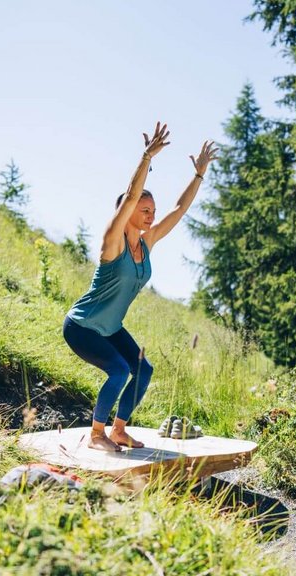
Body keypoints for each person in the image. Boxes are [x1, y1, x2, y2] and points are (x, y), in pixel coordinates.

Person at [63, 122, 218, 452]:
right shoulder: (112, 242)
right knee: (118, 370)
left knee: (142, 370)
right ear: (129, 211)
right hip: (82, 327)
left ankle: (119, 430)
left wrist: (199, 175)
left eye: (152, 212)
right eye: (144, 211)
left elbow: (179, 210)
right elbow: (132, 194)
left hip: (110, 328)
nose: (150, 216)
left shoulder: (147, 244)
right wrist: (147, 157)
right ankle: (95, 435)